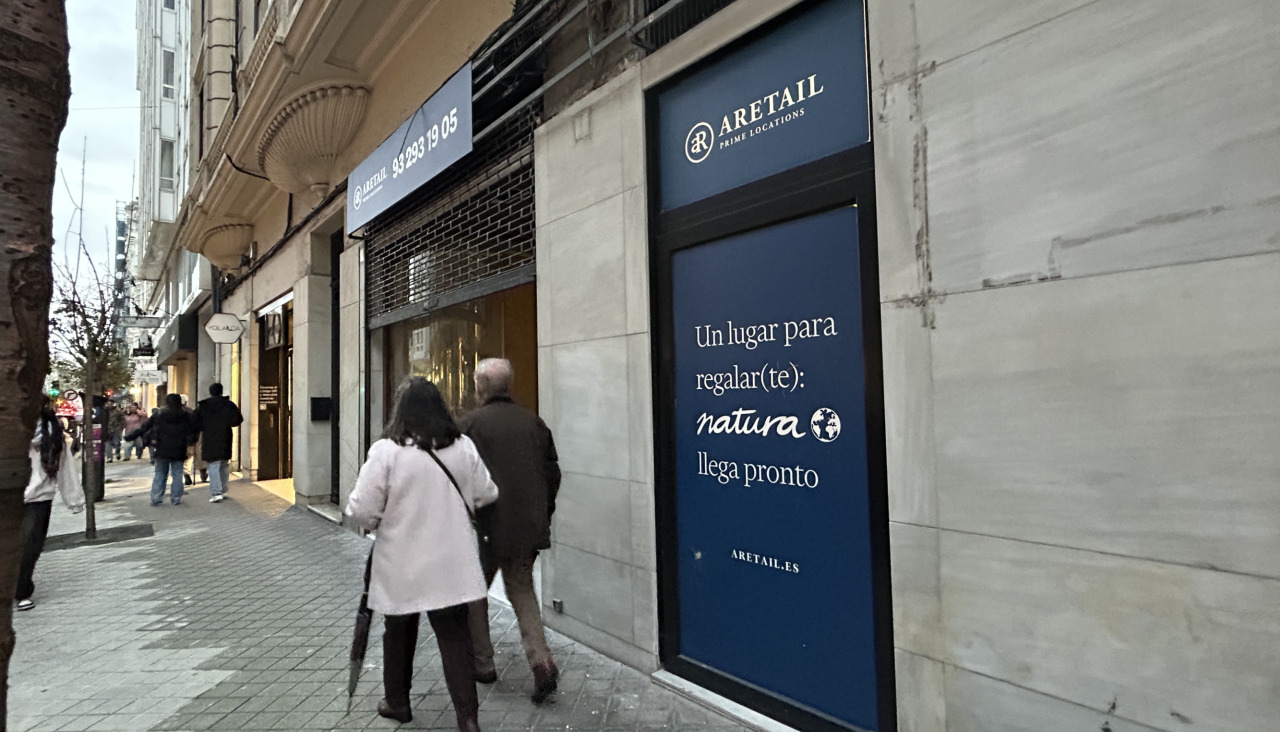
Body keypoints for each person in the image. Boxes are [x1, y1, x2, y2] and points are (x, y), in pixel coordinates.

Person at [346, 377, 498, 730]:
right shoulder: (462, 447)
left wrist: (379, 519)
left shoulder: (386, 451)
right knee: (454, 636)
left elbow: (360, 509)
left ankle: (397, 702)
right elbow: (487, 492)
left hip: (401, 560)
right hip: (450, 560)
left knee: (397, 630)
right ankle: (469, 720)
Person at [460, 358, 562, 704]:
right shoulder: (533, 422)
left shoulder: (471, 425)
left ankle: (483, 663)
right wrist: (541, 514)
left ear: (480, 388)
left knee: (475, 594)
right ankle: (542, 661)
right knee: (522, 592)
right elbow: (553, 474)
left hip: (486, 528)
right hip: (527, 528)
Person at [17, 397, 85, 611]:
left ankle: (21, 591)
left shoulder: (52, 433)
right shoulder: (9, 429)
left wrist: (74, 499)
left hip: (40, 498)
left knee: (30, 548)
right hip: (10, 497)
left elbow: (65, 467)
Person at [125, 393, 198, 506]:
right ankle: (176, 498)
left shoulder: (160, 413)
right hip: (179, 447)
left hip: (162, 447)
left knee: (160, 473)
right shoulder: (187, 413)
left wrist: (131, 436)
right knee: (177, 473)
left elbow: (145, 426)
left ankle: (156, 498)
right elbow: (195, 429)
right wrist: (192, 441)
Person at [194, 383, 243, 503]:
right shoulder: (229, 404)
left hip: (210, 437)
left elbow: (195, 421)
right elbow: (238, 419)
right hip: (225, 436)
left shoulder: (204, 406)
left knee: (213, 466)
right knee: (223, 465)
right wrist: (227, 423)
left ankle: (216, 492)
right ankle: (222, 489)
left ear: (210, 392)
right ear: (221, 391)